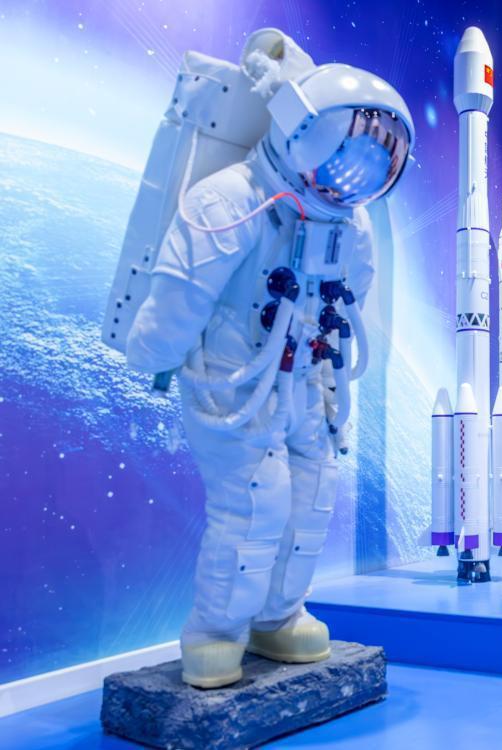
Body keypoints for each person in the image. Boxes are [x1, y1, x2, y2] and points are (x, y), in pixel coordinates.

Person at [127, 62, 414, 687]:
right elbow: (175, 306)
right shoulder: (229, 199)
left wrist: (330, 380)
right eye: (350, 150)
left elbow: (352, 298)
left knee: (313, 492)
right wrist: (155, 351)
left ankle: (279, 617)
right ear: (302, 130)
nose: (357, 171)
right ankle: (216, 631)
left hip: (304, 374)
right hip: (234, 378)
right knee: (256, 499)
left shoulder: (350, 223)